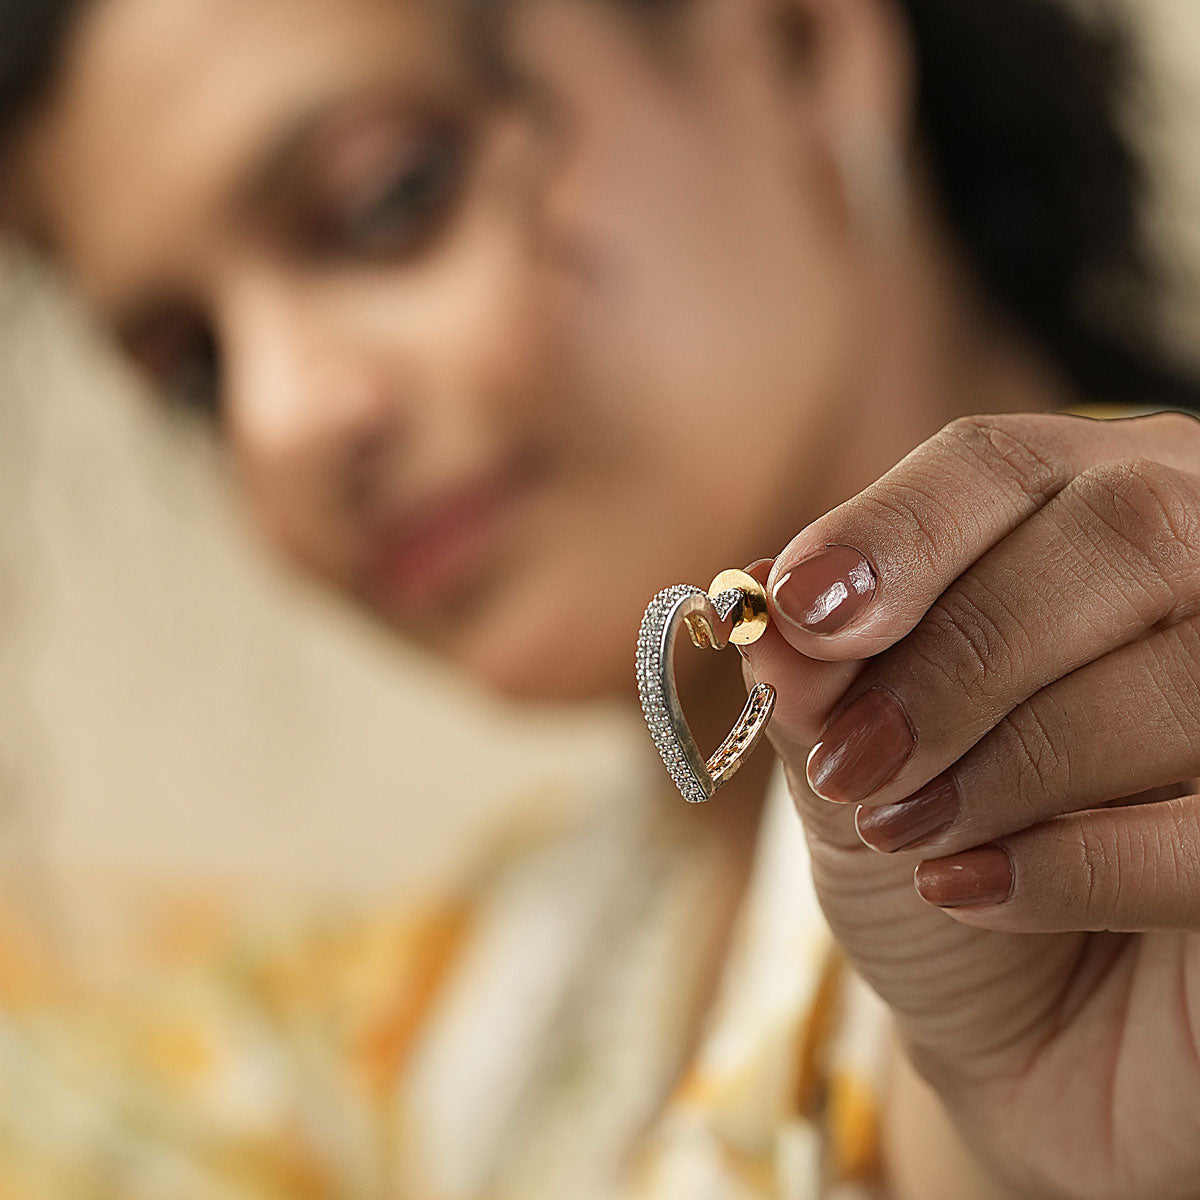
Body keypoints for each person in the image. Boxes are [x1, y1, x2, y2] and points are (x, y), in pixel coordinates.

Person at [1, 0, 1199, 1196]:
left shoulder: (1146, 841)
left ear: (798, 40)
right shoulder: (459, 1029)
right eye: (196, 369)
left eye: (389, 198)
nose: (281, 421)